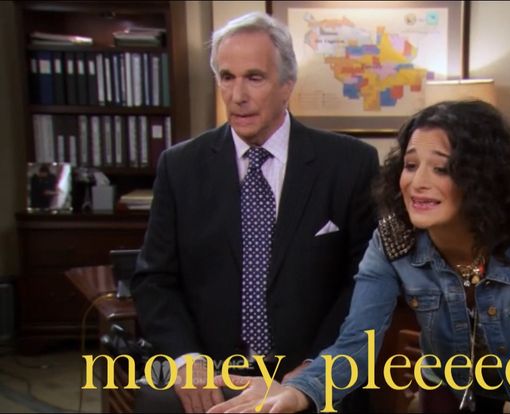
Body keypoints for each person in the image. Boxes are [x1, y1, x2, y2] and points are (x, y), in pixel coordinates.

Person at [210, 100, 510, 413]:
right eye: (411, 165)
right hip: (447, 394)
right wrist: (298, 392)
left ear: (482, 180)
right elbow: (355, 347)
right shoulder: (393, 241)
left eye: (441, 168)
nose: (418, 182)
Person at [130, 11, 379, 413]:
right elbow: (154, 278)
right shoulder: (180, 167)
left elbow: (365, 282)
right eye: (227, 77)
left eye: (254, 77)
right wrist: (187, 359)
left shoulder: (350, 164)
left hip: (311, 369)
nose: (237, 94)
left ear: (287, 85)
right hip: (212, 375)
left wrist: (316, 368)